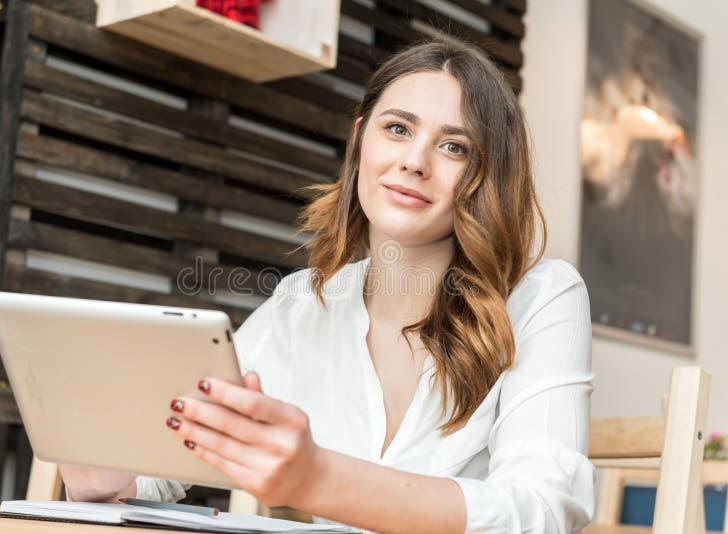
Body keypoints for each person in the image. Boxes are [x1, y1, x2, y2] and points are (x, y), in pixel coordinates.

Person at [60, 40, 595, 533]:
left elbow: (544, 511)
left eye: (454, 147)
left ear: (490, 173)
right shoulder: (301, 305)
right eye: (398, 129)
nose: (414, 161)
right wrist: (106, 477)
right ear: (359, 140)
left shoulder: (542, 297)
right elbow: (173, 458)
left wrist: (317, 478)